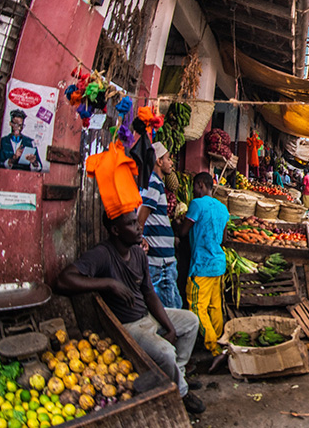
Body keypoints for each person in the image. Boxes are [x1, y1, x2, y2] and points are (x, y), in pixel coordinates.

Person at [55, 209, 205, 415]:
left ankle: (178, 373)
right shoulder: (102, 254)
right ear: (116, 230)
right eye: (132, 224)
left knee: (190, 321)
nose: (139, 227)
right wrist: (108, 283)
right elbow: (63, 280)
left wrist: (169, 327)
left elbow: (150, 294)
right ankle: (181, 392)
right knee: (165, 352)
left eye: (137, 222)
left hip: (147, 316)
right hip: (128, 327)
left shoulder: (137, 252)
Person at [175, 172, 228, 371]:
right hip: (218, 263)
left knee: (197, 307)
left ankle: (214, 349)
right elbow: (223, 239)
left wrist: (179, 222)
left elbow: (184, 231)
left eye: (196, 188)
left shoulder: (197, 205)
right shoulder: (223, 208)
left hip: (202, 265)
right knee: (215, 306)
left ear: (199, 185)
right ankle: (222, 343)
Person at [138, 142, 181, 309]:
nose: (171, 163)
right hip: (160, 261)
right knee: (170, 308)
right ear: (158, 161)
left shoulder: (156, 183)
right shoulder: (153, 183)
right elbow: (142, 215)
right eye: (168, 158)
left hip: (163, 259)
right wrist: (140, 239)